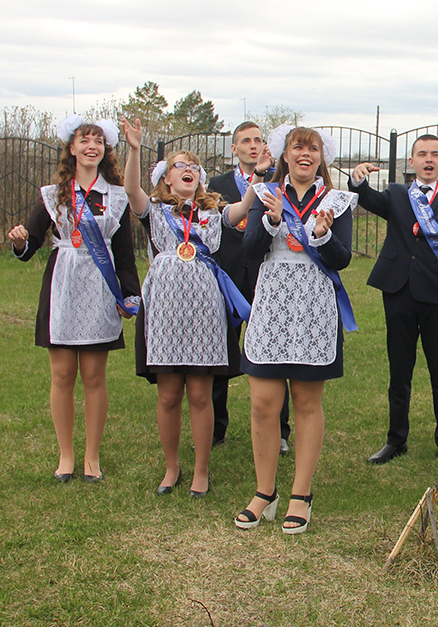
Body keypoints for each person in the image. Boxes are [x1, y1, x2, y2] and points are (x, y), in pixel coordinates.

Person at [122, 117, 257, 498]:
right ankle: (171, 467)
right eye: (179, 166)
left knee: (200, 393)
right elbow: (131, 189)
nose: (188, 171)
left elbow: (244, 206)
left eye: (194, 168)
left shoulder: (212, 215)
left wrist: (259, 176)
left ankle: (201, 471)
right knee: (168, 394)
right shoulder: (154, 211)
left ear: (199, 179)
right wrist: (134, 150)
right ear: (165, 179)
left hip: (203, 311)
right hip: (164, 309)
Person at [233, 125, 357, 535]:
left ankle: (301, 494)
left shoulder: (336, 201)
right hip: (271, 305)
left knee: (306, 402)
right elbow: (249, 252)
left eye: (313, 148)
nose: (305, 154)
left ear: (322, 156)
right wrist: (268, 223)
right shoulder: (267, 195)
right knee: (263, 403)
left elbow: (342, 260)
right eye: (298, 147)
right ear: (284, 154)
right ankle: (264, 492)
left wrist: (322, 234)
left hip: (315, 308)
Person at [7, 115, 140, 484]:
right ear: (72, 147)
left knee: (95, 376)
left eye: (98, 140)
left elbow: (124, 252)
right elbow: (30, 242)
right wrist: (20, 241)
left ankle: (91, 457)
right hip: (63, 285)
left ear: (104, 150)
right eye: (85, 139)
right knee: (63, 374)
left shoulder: (115, 197)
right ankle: (66, 455)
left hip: (100, 286)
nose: (91, 146)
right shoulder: (53, 195)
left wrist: (129, 295)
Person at [349, 135, 438, 467]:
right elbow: (368, 199)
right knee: (399, 369)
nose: (428, 159)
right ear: (412, 162)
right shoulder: (396, 195)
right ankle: (396, 440)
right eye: (422, 154)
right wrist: (357, 180)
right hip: (399, 291)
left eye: (435, 154)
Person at [207, 121, 292, 456]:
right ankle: (215, 425)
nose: (253, 145)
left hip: (263, 274)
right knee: (221, 350)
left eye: (258, 140)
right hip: (227, 275)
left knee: (274, 352)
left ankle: (280, 430)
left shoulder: (276, 182)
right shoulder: (217, 184)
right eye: (246, 141)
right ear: (234, 148)